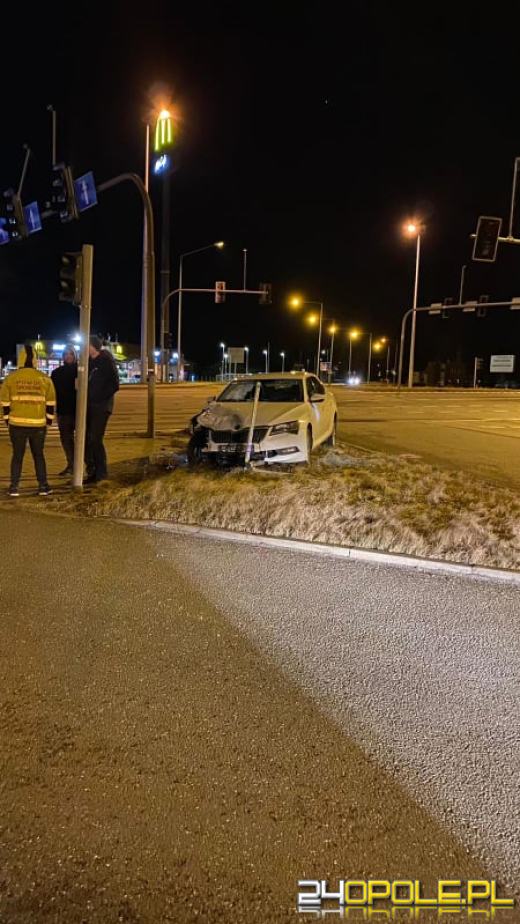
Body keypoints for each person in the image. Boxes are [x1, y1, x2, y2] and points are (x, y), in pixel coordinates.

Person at [0, 344, 56, 497]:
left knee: (17, 456)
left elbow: (5, 402)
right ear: (35, 360)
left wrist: (7, 420)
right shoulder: (44, 379)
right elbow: (50, 403)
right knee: (39, 455)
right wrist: (48, 422)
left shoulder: (11, 378)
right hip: (38, 425)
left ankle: (14, 487)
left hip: (16, 424)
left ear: (21, 359)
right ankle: (43, 486)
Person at [85, 336, 119, 484]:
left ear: (93, 346)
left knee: (95, 439)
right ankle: (92, 471)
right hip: (90, 405)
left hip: (102, 406)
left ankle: (101, 473)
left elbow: (115, 384)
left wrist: (99, 397)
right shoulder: (89, 362)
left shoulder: (106, 360)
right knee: (88, 439)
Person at [51, 345, 77, 476]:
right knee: (66, 439)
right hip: (63, 411)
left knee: (86, 440)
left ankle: (88, 465)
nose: (68, 356)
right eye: (66, 354)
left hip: (79, 411)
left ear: (75, 355)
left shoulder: (81, 370)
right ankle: (71, 464)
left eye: (70, 354)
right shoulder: (56, 373)